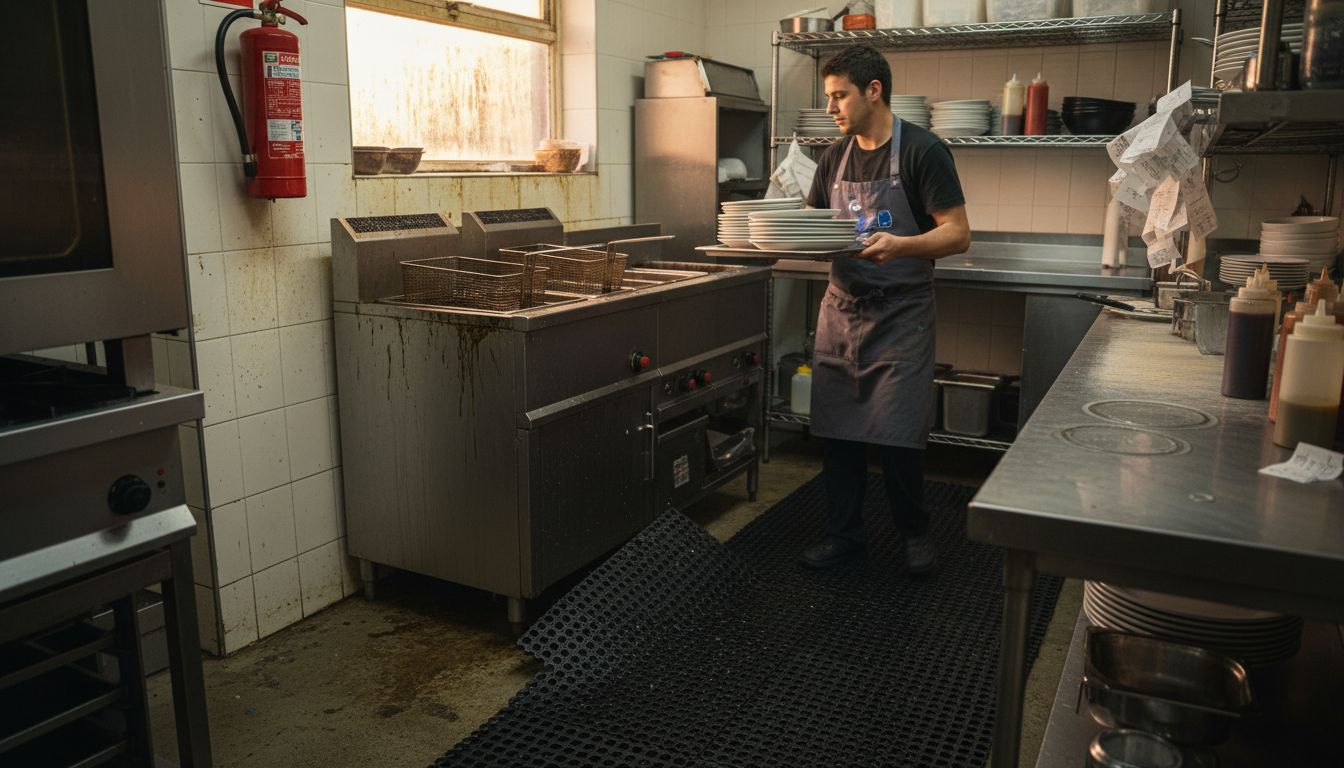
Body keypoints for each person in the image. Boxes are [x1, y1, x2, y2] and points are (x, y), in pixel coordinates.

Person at [797, 45, 970, 574]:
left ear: (874, 90)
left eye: (839, 95)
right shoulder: (835, 156)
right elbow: (811, 223)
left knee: (897, 435)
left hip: (900, 313)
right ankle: (844, 536)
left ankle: (915, 536)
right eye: (827, 98)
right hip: (842, 310)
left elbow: (958, 234)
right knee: (839, 433)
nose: (832, 108)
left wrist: (900, 245)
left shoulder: (923, 151)